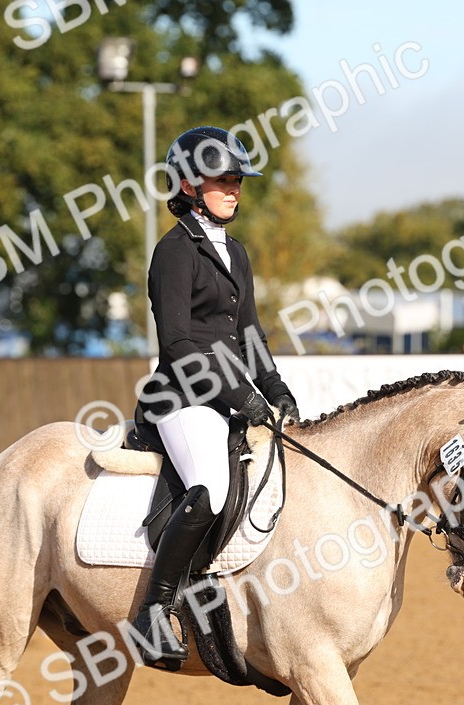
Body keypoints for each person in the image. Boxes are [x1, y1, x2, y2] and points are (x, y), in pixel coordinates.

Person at [130, 126, 298, 670]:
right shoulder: (173, 252)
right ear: (188, 184)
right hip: (180, 398)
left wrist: (274, 388)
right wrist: (237, 395)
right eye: (221, 178)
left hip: (227, 397)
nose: (234, 187)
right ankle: (152, 612)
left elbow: (250, 336)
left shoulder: (236, 252)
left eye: (237, 179)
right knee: (211, 487)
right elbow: (177, 343)